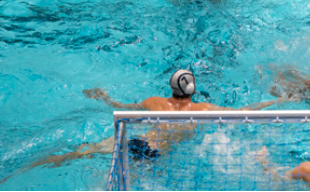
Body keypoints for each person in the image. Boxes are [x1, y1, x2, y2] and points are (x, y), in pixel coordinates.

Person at [17, 70, 279, 172]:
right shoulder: (202, 109)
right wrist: (278, 101)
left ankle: (31, 166)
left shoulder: (153, 101)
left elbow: (120, 107)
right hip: (156, 155)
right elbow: (244, 111)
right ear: (193, 90)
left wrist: (103, 96)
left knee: (82, 152)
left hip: (133, 141)